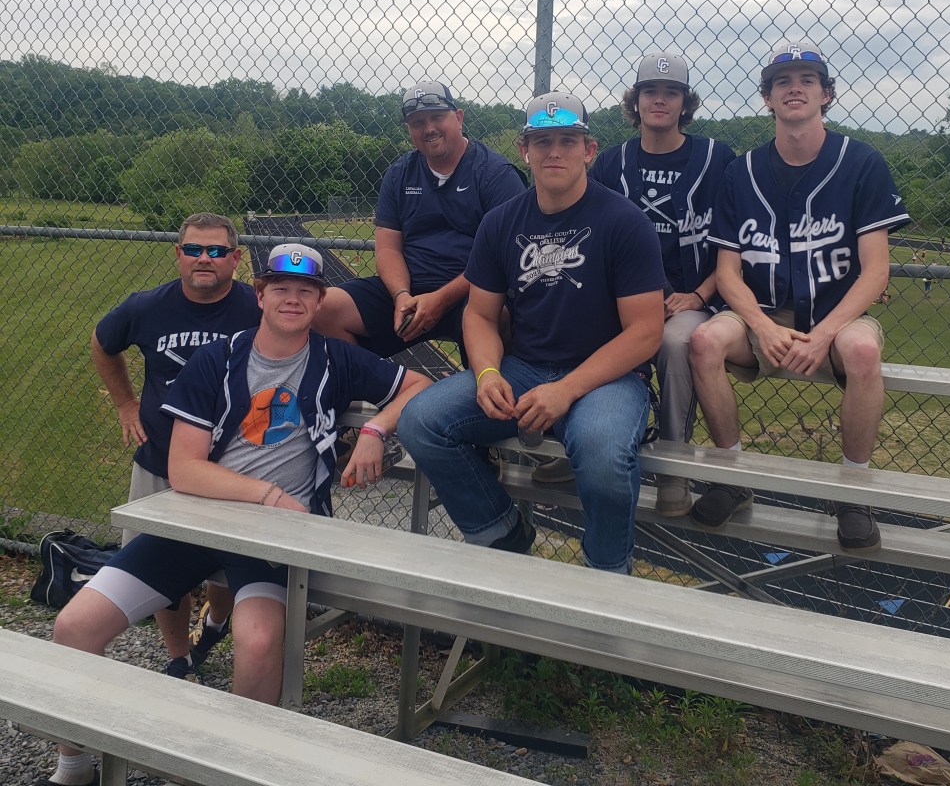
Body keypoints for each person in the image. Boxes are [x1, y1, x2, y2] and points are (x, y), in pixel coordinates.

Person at [37, 245, 430, 786]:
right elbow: (185, 470)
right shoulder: (217, 359)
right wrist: (266, 493)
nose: (293, 299)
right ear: (260, 296)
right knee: (74, 626)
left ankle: (233, 770)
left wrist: (374, 430)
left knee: (260, 643)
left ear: (319, 303)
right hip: (201, 521)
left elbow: (419, 385)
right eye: (280, 288)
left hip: (274, 538)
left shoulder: (336, 359)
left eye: (306, 291)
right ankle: (74, 764)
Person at [398, 92, 665, 574]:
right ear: (524, 150)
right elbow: (480, 316)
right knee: (421, 421)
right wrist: (486, 373)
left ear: (589, 150)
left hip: (607, 378)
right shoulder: (501, 222)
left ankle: (608, 577)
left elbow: (645, 332)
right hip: (525, 369)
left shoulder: (625, 221)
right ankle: (499, 532)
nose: (554, 152)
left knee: (602, 454)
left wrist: (566, 390)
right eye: (542, 142)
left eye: (568, 140)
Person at [688, 38, 910, 553]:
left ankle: (853, 493)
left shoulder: (861, 162)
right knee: (703, 341)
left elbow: (876, 271)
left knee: (863, 350)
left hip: (838, 314)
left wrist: (826, 333)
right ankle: (731, 476)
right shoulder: (740, 171)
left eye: (807, 81)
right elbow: (727, 273)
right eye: (782, 82)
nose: (795, 89)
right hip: (763, 312)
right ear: (766, 98)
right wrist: (762, 327)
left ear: (826, 94)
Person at [91, 212, 262, 679]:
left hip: (231, 467)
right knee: (159, 571)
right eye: (193, 249)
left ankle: (217, 621)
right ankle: (179, 656)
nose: (204, 258)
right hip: (160, 461)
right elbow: (103, 342)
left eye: (216, 251)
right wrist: (125, 403)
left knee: (223, 569)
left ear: (236, 258)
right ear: (178, 254)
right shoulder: (147, 307)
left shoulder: (256, 309)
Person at [590, 52, 735, 517]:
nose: (659, 100)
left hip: (692, 297)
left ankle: (673, 469)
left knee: (675, 343)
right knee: (579, 324)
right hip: (626, 296)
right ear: (635, 102)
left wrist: (700, 294)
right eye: (650, 91)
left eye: (671, 92)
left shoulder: (715, 158)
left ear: (685, 103)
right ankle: (575, 444)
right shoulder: (611, 163)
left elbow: (735, 241)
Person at [314, 80, 525, 359]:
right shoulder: (400, 173)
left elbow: (501, 259)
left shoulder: (496, 174)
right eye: (417, 122)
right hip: (410, 288)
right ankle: (371, 380)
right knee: (323, 307)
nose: (429, 128)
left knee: (498, 317)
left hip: (474, 290)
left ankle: (487, 384)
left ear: (458, 118)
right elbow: (388, 248)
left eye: (437, 117)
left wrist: (440, 299)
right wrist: (401, 294)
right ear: (408, 130)